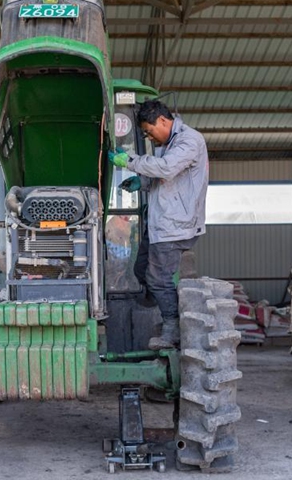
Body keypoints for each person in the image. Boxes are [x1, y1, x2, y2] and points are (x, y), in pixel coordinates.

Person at [107, 100, 209, 350]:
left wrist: (129, 161)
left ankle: (173, 326)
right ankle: (167, 306)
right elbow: (164, 180)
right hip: (159, 223)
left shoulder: (189, 141)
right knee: (142, 271)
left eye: (149, 131)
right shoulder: (167, 144)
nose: (149, 136)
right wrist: (141, 183)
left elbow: (165, 169)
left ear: (163, 120)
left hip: (175, 225)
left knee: (158, 278)